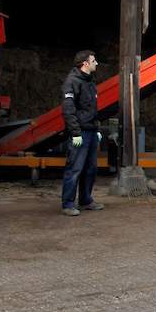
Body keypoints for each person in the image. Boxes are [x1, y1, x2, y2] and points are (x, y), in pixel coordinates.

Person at [60, 50, 103, 216]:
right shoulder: (72, 82)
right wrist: (75, 132)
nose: (96, 63)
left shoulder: (90, 82)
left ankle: (85, 200)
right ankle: (68, 203)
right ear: (85, 63)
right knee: (75, 168)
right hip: (80, 133)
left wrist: (97, 128)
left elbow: (93, 109)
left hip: (91, 131)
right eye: (94, 60)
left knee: (90, 169)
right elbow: (68, 109)